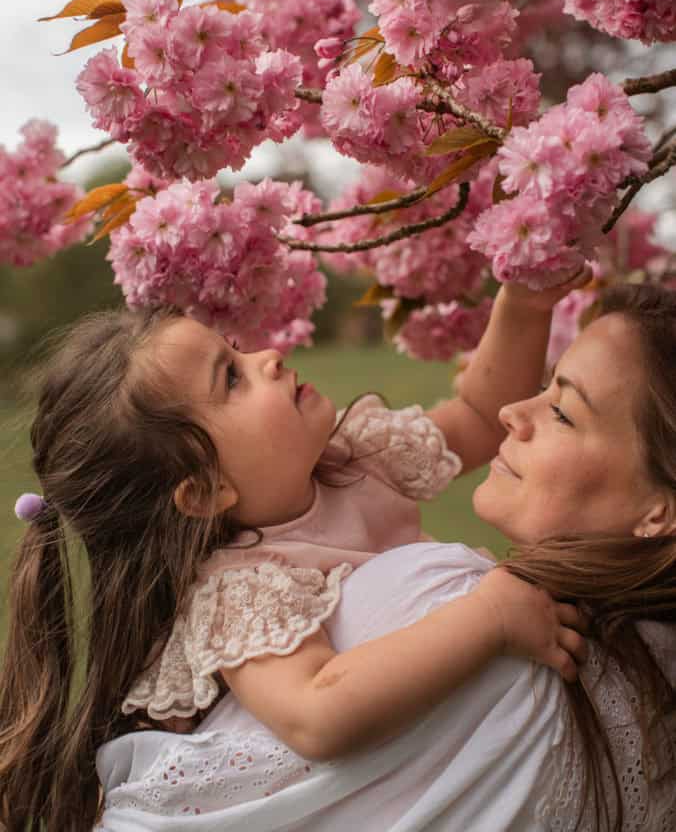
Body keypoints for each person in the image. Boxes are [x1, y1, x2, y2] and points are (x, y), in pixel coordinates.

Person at [0, 270, 592, 832]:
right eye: (231, 377)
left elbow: (479, 417)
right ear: (206, 491)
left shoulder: (352, 458)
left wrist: (522, 304)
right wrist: (488, 618)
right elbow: (318, 715)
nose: (267, 356)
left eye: (235, 347)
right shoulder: (244, 588)